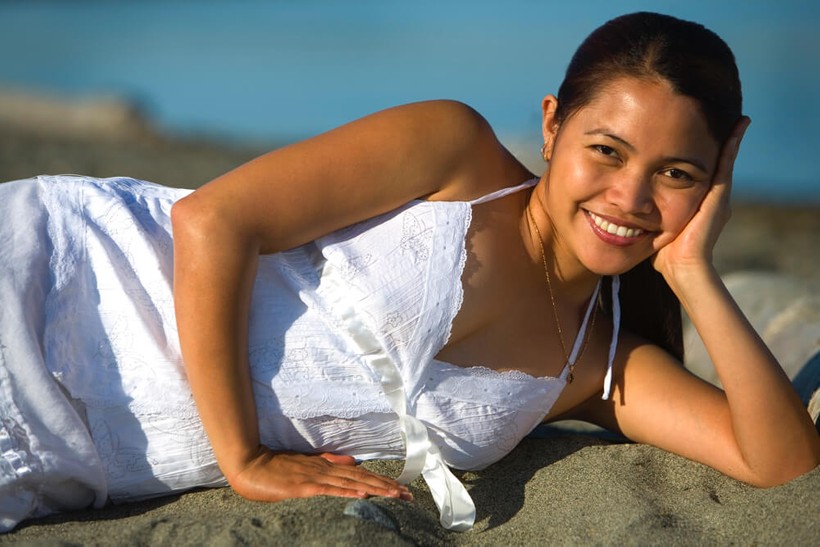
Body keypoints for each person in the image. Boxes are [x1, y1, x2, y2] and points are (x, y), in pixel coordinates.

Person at [1, 11, 818, 533]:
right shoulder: (457, 155)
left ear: (716, 177)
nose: (630, 196)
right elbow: (212, 220)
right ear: (552, 124)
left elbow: (779, 461)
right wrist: (244, 459)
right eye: (606, 151)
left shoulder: (597, 368)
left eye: (677, 173)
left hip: (72, 459)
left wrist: (694, 271)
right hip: (51, 287)